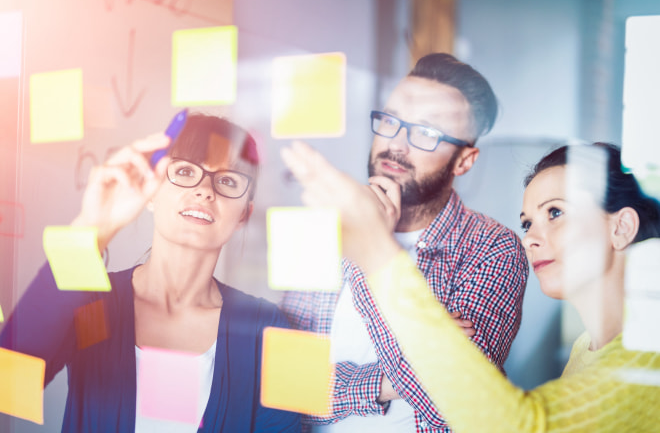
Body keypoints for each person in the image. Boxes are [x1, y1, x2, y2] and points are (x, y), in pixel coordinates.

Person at [281, 140, 660, 432]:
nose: (530, 238)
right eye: (527, 223)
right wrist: (403, 372)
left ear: (621, 227)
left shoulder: (647, 358)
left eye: (556, 212)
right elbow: (287, 383)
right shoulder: (588, 349)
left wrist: (373, 253)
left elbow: (509, 423)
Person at [0, 114, 301, 432]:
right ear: (151, 191)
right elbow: (6, 381)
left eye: (227, 180)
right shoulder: (93, 306)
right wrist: (91, 232)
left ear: (245, 213)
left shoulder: (267, 330)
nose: (204, 191)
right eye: (185, 171)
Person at [279, 53, 529, 432]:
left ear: (464, 160)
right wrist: (397, 379)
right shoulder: (321, 231)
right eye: (391, 120)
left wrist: (370, 248)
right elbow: (286, 387)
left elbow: (453, 403)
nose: (397, 144)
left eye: (426, 132)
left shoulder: (492, 248)